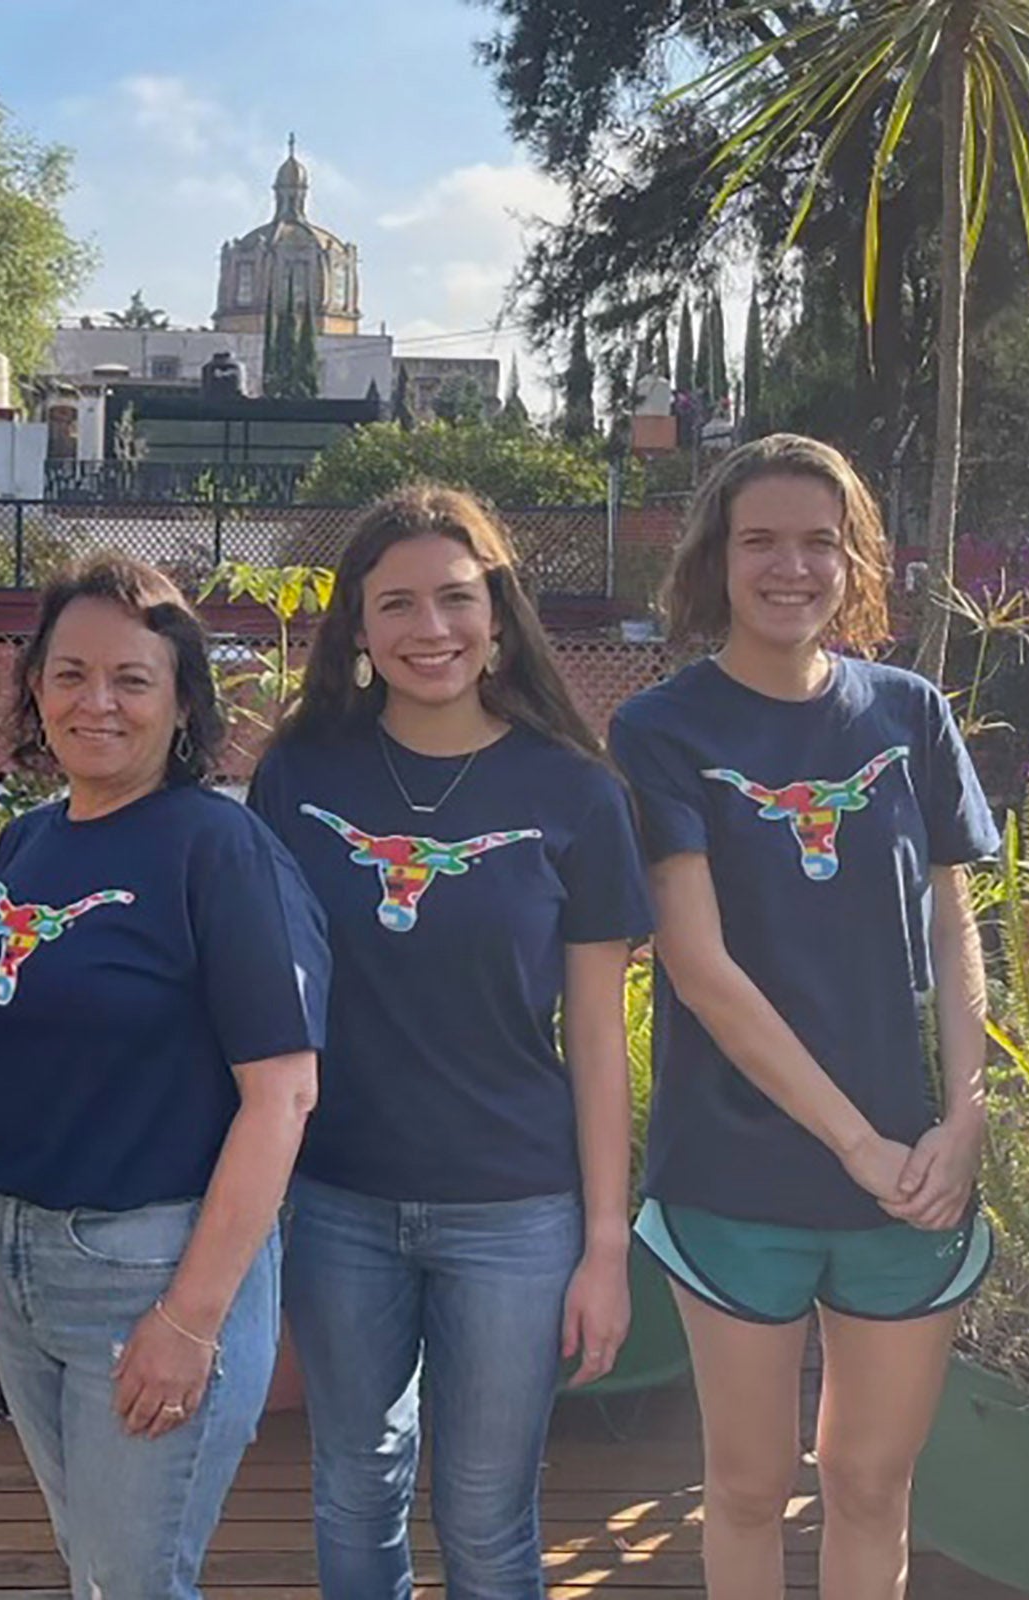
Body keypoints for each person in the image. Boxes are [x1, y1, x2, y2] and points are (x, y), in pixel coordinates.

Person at [607, 435, 998, 1600]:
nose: (792, 567)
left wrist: (963, 1121)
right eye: (761, 541)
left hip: (912, 1177)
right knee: (746, 1484)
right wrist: (855, 1141)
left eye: (819, 542)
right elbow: (699, 965)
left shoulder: (908, 713)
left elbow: (954, 928)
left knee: (871, 1482)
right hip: (738, 1173)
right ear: (715, 557)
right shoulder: (661, 730)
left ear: (855, 558)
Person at [245, 485, 651, 1599]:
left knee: (488, 1513)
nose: (432, 629)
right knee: (354, 1485)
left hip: (516, 1211)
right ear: (359, 629)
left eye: (457, 600)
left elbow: (600, 1039)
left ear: (500, 615)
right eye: (399, 604)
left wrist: (606, 1244)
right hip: (336, 1200)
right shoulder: (296, 779)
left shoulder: (576, 792)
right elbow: (254, 1004)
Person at [0, 553, 328, 1600]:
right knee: (99, 1571)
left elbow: (281, 1095)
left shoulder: (219, 849)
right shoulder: (26, 843)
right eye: (68, 674)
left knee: (132, 1581)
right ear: (35, 689)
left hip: (149, 1268)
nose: (94, 701)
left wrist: (191, 1319)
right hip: (17, 1258)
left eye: (131, 679)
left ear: (183, 701)